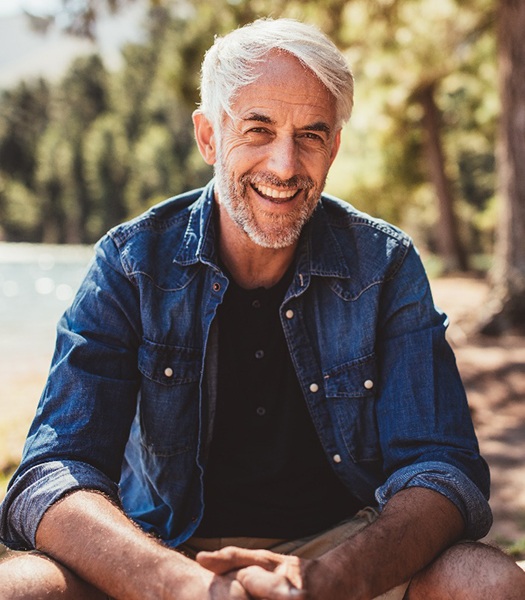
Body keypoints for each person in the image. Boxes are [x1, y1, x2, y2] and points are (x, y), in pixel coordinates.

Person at [0, 17, 523, 600]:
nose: (284, 165)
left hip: (345, 549)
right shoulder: (131, 263)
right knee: (20, 587)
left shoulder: (385, 264)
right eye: (258, 129)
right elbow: (53, 473)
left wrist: (325, 580)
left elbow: (442, 469)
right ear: (208, 136)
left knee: (486, 582)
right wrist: (181, 585)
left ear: (334, 148)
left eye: (311, 135)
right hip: (162, 550)